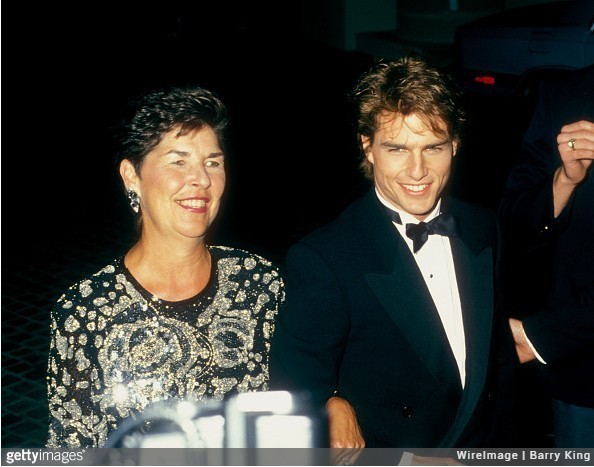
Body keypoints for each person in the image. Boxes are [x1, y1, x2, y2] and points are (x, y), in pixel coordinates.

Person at [270, 56, 516, 457]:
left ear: (455, 145)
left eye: (433, 147)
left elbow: (498, 371)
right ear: (367, 147)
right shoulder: (325, 258)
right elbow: (294, 392)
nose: (417, 170)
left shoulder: (481, 227)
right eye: (397, 148)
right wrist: (331, 401)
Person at [46, 86, 285, 448]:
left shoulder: (258, 282)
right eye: (179, 160)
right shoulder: (84, 311)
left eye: (213, 162)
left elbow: (301, 398)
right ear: (131, 176)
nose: (201, 180)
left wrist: (335, 399)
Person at [499, 64, 594, 448]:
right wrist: (564, 181)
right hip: (585, 372)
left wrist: (541, 335)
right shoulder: (567, 95)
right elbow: (512, 222)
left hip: (562, 337)